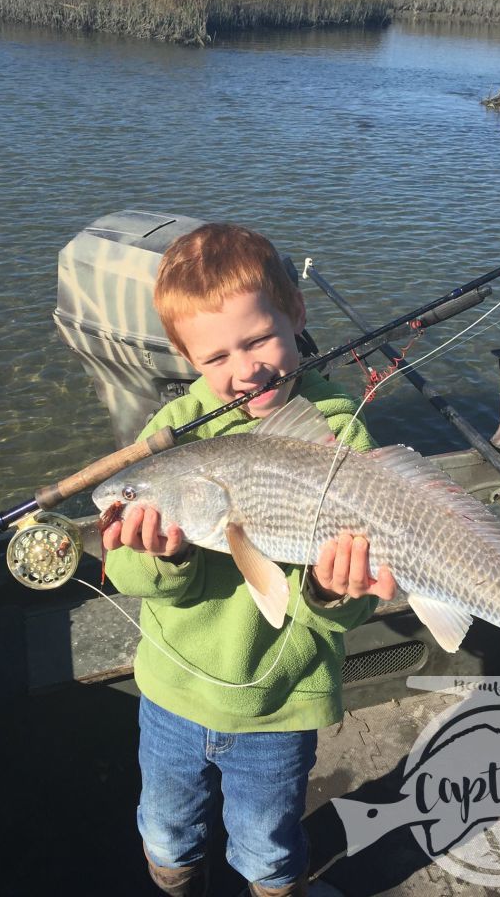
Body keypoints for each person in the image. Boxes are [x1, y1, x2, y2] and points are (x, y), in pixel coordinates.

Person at [102, 223, 397, 897]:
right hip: (174, 695)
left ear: (296, 314)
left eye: (259, 338)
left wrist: (329, 591)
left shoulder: (339, 433)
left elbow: (338, 613)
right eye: (215, 357)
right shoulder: (164, 445)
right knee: (165, 828)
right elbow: (125, 574)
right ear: (185, 357)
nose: (245, 369)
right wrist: (162, 560)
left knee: (267, 848)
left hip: (280, 705)